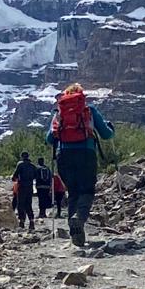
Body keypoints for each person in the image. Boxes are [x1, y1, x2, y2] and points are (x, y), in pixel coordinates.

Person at [45, 83, 115, 246]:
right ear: (82, 96)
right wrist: (111, 129)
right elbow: (106, 134)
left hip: (64, 156)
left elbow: (49, 139)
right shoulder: (89, 110)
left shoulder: (59, 112)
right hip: (86, 153)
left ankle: (75, 232)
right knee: (87, 190)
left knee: (73, 193)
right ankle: (80, 218)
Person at [12, 151, 38, 231]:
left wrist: (15, 179)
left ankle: (22, 221)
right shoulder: (33, 166)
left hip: (22, 186)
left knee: (21, 204)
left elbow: (15, 175)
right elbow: (36, 176)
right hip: (30, 187)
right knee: (28, 204)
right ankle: (31, 221)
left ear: (22, 157)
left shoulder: (20, 164)